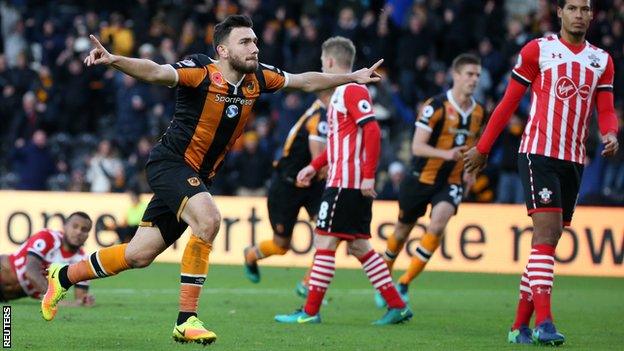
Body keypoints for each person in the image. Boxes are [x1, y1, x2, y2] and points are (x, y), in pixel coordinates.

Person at [41, 15, 384, 345]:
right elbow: (157, 72)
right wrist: (115, 60)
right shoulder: (200, 71)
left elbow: (304, 80)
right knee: (209, 219)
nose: (255, 48)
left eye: (255, 41)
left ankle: (64, 275)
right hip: (170, 163)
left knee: (138, 254)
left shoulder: (258, 78)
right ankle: (185, 321)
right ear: (223, 50)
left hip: (198, 175)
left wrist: (351, 76)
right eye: (245, 42)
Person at [463, 0, 619, 346]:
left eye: (585, 9)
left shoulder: (602, 61)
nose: (579, 14)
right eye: (573, 8)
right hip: (538, 154)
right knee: (546, 236)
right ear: (560, 13)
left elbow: (605, 108)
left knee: (544, 246)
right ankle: (544, 323)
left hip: (574, 160)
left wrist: (610, 133)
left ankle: (519, 327)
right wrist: (484, 147)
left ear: (592, 15)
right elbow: (506, 103)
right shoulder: (538, 50)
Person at [274, 36, 412, 325]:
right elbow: (338, 142)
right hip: (343, 181)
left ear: (330, 63)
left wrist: (368, 176)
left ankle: (310, 312)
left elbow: (372, 131)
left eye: (323, 64)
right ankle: (397, 306)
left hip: (346, 184)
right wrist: (313, 166)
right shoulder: (339, 96)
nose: (322, 68)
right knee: (360, 247)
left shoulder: (351, 90)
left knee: (324, 241)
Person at [377, 54, 484, 307]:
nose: (474, 80)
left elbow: (476, 146)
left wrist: (472, 171)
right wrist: (445, 154)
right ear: (455, 75)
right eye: (469, 74)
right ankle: (384, 277)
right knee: (402, 232)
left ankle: (403, 283)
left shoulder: (479, 112)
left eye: (477, 75)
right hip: (420, 178)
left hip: (452, 181)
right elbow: (417, 147)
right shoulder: (434, 106)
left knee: (437, 225)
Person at [243, 91, 330, 285]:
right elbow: (320, 163)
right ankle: (251, 254)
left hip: (312, 186)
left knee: (327, 232)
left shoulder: (326, 113)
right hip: (287, 185)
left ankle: (309, 282)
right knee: (281, 246)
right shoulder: (319, 116)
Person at [0, 212, 94, 306]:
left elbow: (80, 297)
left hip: (4, 296)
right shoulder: (48, 237)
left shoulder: (82, 261)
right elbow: (30, 271)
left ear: (88, 235)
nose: (78, 232)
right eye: (75, 226)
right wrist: (55, 300)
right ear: (65, 226)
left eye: (84, 230)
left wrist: (85, 300)